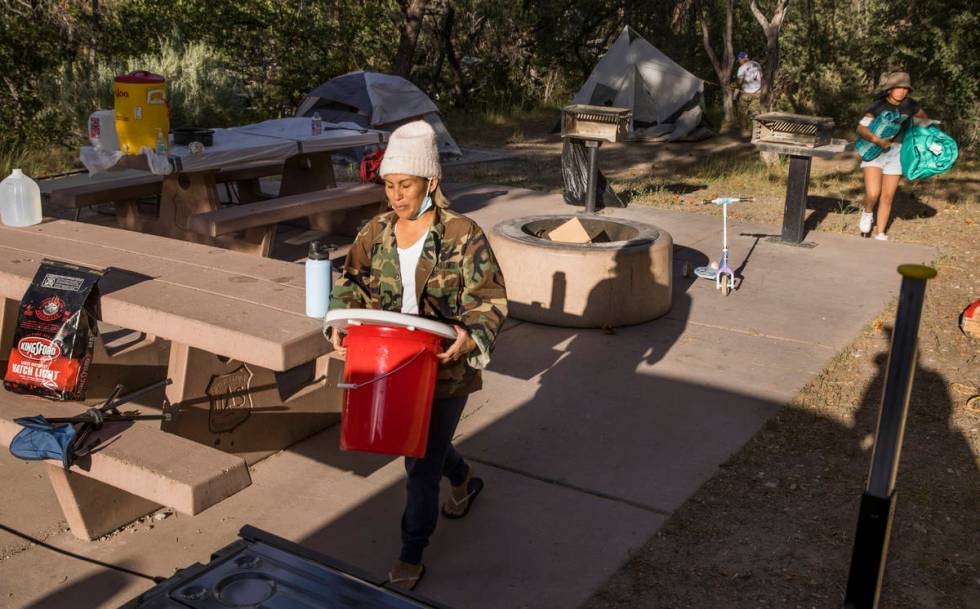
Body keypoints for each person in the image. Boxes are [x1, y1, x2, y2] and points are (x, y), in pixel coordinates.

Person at [325, 120, 508, 591]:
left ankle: (411, 553)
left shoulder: (464, 234)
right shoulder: (376, 231)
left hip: (444, 366)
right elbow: (351, 281)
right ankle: (464, 479)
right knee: (423, 443)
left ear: (431, 182)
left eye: (405, 185)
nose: (396, 196)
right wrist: (340, 323)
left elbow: (488, 299)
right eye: (389, 185)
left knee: (418, 460)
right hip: (392, 362)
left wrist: (469, 336)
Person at [856, 71, 928, 240]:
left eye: (905, 88)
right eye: (898, 87)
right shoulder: (878, 105)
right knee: (873, 193)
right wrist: (877, 140)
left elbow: (924, 121)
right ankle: (867, 212)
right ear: (890, 89)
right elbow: (860, 128)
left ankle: (880, 233)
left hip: (897, 153)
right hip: (875, 151)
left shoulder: (911, 105)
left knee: (887, 196)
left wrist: (923, 131)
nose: (902, 91)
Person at [734, 51, 763, 131]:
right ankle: (758, 131)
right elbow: (761, 77)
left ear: (741, 59)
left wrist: (735, 86)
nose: (739, 62)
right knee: (756, 113)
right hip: (758, 92)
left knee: (742, 113)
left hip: (746, 93)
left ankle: (744, 131)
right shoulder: (757, 64)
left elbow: (739, 82)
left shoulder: (741, 68)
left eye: (739, 60)